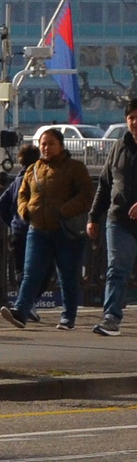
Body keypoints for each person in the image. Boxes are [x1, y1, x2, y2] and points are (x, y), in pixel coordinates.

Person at [2, 127, 94, 330]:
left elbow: (87, 194)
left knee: (67, 273)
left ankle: (68, 316)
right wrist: (25, 210)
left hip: (65, 230)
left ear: (61, 146)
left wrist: (64, 210)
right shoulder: (34, 169)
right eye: (43, 144)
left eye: (51, 143)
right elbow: (23, 194)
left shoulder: (74, 168)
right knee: (31, 273)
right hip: (38, 229)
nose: (46, 147)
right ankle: (21, 311)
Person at [88, 97, 137, 336]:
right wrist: (93, 217)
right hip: (119, 221)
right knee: (116, 269)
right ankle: (111, 317)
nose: (135, 122)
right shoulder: (119, 147)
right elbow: (105, 184)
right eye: (131, 118)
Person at [0, 143, 43, 322]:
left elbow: (1, 203)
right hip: (34, 230)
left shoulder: (16, 181)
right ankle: (28, 304)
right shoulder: (36, 179)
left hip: (17, 231)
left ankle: (24, 304)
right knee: (39, 269)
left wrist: (11, 222)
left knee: (21, 269)